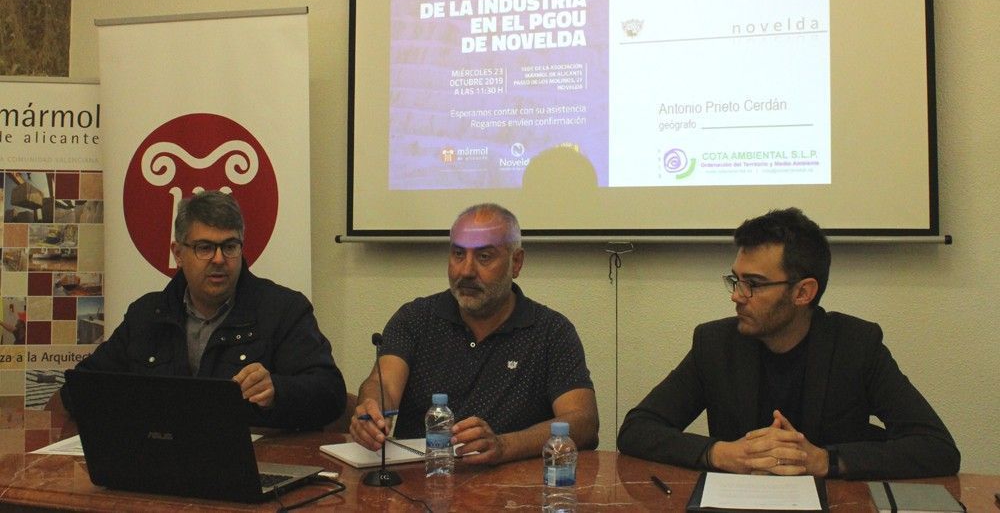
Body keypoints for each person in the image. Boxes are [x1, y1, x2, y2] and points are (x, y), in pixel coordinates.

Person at [617, 207, 960, 480]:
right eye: (736, 280)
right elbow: (637, 429)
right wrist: (720, 453)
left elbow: (937, 448)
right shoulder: (715, 344)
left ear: (802, 292)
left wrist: (825, 460)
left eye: (753, 284)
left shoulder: (857, 346)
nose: (737, 295)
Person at [60, 190, 346, 430]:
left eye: (229, 246)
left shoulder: (283, 310)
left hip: (251, 464)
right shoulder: (147, 315)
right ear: (178, 253)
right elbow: (80, 390)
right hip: (159, 463)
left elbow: (331, 394)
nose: (219, 259)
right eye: (205, 248)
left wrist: (277, 390)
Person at [350, 203, 598, 465]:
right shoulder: (416, 319)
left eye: (484, 257)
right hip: (421, 477)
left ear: (516, 262)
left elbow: (583, 422)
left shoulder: (550, 331)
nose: (466, 271)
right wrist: (372, 408)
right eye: (458, 254)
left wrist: (505, 446)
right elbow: (384, 384)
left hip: (513, 484)